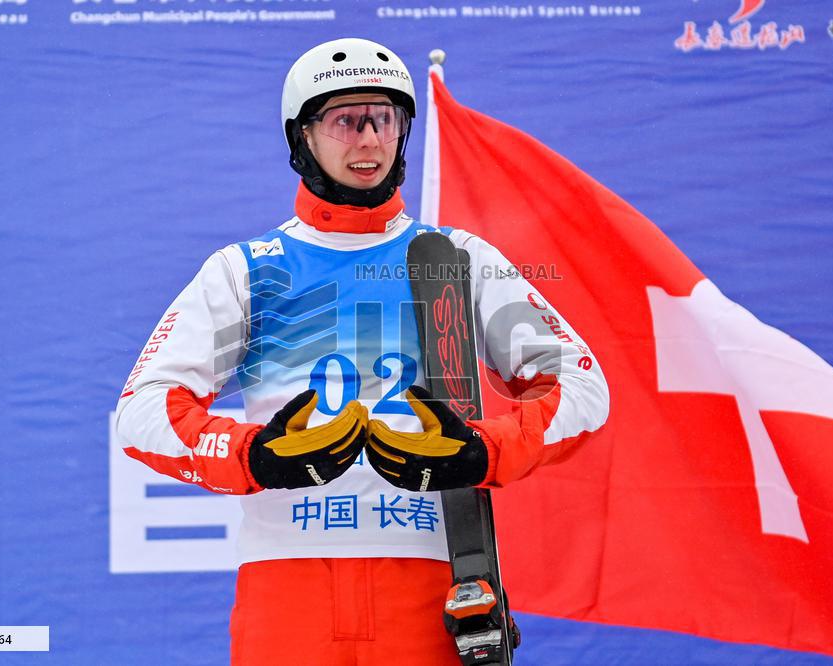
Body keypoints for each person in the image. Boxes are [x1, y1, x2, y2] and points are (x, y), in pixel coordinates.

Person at [115, 38, 610, 666]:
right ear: (301, 139)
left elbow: (583, 390)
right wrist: (252, 456)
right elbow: (143, 409)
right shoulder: (244, 271)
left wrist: (485, 450)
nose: (369, 139)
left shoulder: (459, 260)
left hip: (436, 584)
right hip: (287, 591)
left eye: (385, 118)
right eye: (345, 120)